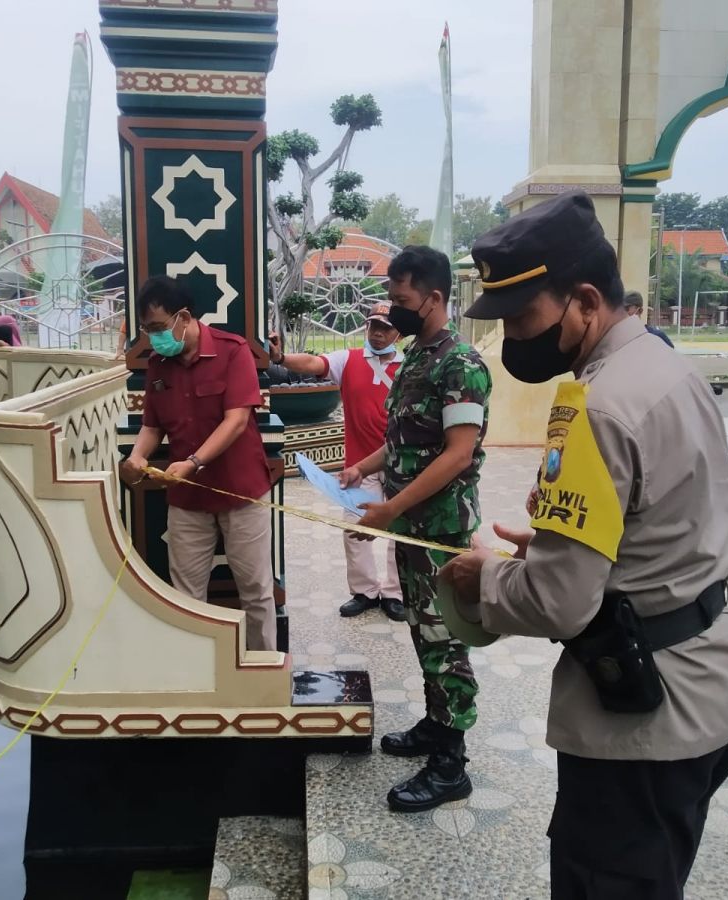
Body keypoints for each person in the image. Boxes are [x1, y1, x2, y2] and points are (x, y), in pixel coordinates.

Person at [440, 191, 728, 898]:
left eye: (524, 317)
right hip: (714, 684)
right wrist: (554, 541)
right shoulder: (668, 367)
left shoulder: (591, 407)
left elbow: (560, 603)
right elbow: (669, 515)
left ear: (584, 301)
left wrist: (484, 580)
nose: (513, 338)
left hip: (643, 723)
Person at [340, 246, 491, 813]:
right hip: (411, 525)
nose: (393, 310)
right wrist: (364, 468)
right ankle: (434, 725)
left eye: (402, 301)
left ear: (433, 298)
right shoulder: (417, 360)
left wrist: (389, 507)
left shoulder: (461, 365)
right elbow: (405, 441)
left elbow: (456, 455)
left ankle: (451, 765)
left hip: (440, 531)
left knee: (444, 638)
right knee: (423, 632)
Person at [117, 276, 277, 652]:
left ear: (183, 317)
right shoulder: (159, 364)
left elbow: (236, 420)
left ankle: (265, 673)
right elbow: (152, 426)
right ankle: (198, 672)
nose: (154, 338)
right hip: (186, 500)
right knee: (186, 596)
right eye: (147, 330)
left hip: (242, 492)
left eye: (158, 328)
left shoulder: (233, 351)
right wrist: (137, 456)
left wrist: (193, 461)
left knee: (255, 591)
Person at [268, 302, 405, 622]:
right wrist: (280, 358)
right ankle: (364, 590)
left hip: (401, 461)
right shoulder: (349, 359)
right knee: (354, 525)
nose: (379, 333)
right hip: (360, 463)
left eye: (385, 328)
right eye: (373, 327)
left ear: (398, 332)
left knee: (400, 527)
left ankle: (396, 592)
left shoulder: (410, 364)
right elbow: (315, 363)